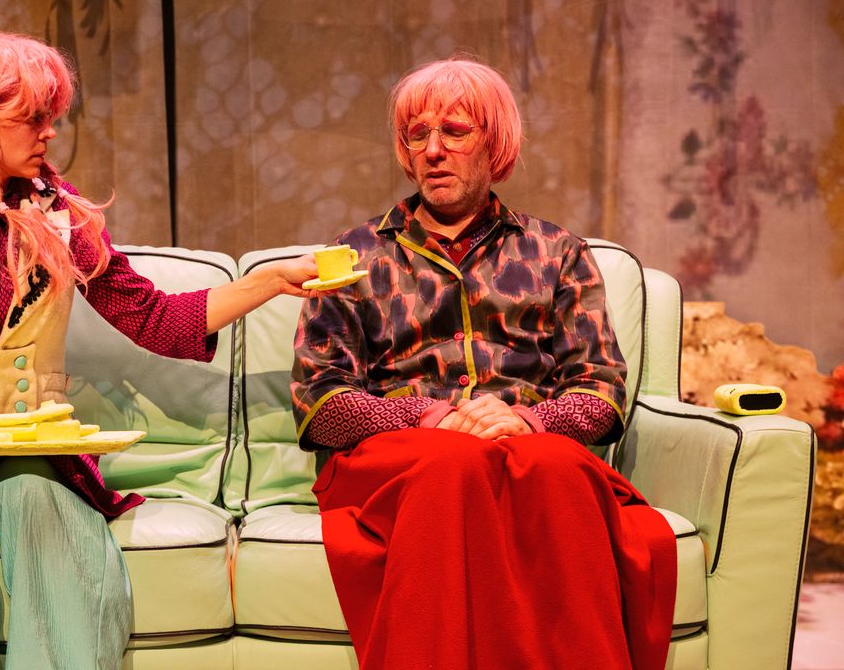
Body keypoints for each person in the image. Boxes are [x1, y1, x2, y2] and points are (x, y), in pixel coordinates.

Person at [0, 28, 316, 670]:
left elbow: (156, 319)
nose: (50, 133)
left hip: (32, 446)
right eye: (33, 118)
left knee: (35, 496)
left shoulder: (61, 218)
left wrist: (269, 282)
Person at [290, 58, 677, 669]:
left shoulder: (558, 254)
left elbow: (601, 392)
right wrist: (430, 417)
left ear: (495, 144)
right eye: (417, 135)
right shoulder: (354, 257)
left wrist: (529, 421)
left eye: (455, 131)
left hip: (527, 449)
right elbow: (319, 403)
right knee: (453, 465)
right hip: (408, 457)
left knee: (555, 467)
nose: (433, 150)